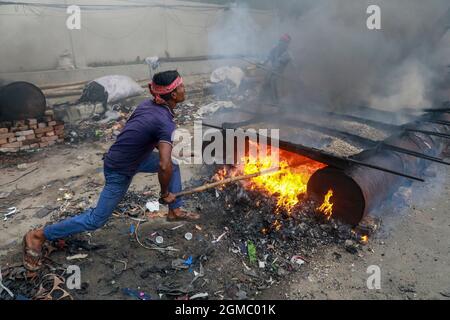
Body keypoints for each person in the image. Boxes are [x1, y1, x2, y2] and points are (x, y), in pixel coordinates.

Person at [22, 70, 199, 271]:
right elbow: (163, 166)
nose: (185, 89)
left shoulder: (148, 105)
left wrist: (174, 151)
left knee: (174, 164)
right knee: (96, 219)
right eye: (182, 86)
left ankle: (174, 210)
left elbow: (148, 138)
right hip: (119, 168)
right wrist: (164, 193)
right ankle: (38, 235)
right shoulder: (164, 121)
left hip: (133, 158)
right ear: (173, 95)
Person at [260, 33, 293, 104]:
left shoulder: (287, 54)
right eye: (281, 41)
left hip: (280, 72)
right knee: (266, 81)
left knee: (273, 81)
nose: (282, 43)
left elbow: (291, 66)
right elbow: (268, 57)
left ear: (287, 44)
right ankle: (263, 99)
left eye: (284, 42)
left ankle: (275, 101)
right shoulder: (275, 48)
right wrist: (263, 63)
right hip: (273, 69)